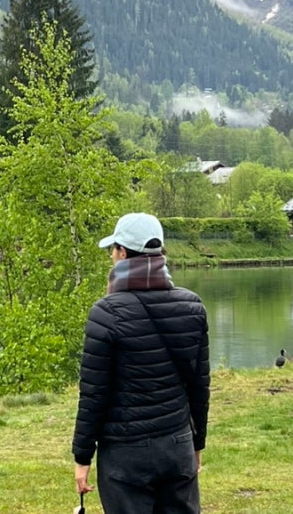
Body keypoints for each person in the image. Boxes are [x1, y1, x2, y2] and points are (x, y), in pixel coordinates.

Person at [72, 212, 210, 513]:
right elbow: (199, 387)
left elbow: (94, 395)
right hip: (177, 445)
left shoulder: (105, 313)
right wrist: (196, 442)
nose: (111, 255)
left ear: (122, 253)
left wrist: (82, 457)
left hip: (125, 457)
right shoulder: (192, 307)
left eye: (113, 249)